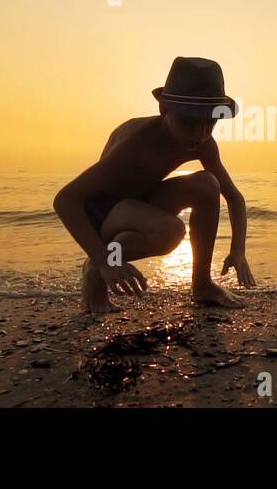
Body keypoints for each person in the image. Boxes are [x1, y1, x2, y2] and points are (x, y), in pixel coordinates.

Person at [53, 56, 255, 312]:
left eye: (210, 122)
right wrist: (104, 260)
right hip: (104, 212)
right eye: (190, 121)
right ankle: (96, 267)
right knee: (170, 232)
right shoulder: (136, 143)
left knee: (207, 184)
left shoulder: (202, 143)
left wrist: (238, 250)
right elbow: (66, 200)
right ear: (165, 110)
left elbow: (234, 197)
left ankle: (202, 284)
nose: (200, 133)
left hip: (141, 203)